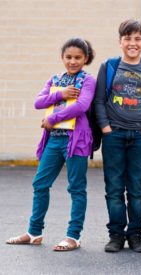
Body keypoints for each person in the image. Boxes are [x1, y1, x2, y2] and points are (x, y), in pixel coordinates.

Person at [6, 38, 96, 251]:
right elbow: (39, 102)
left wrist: (53, 118)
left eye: (77, 58)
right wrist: (60, 94)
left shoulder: (88, 80)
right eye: (68, 57)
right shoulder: (56, 79)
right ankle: (34, 232)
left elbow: (82, 106)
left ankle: (73, 236)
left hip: (77, 141)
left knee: (76, 188)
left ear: (86, 59)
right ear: (62, 57)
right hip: (54, 140)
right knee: (40, 184)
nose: (72, 62)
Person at [93, 19, 141, 253]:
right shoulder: (110, 66)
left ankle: (135, 234)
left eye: (137, 39)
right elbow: (99, 100)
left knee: (136, 189)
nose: (132, 43)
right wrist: (105, 128)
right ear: (120, 41)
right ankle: (116, 235)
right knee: (113, 188)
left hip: (140, 138)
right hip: (114, 135)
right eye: (127, 38)